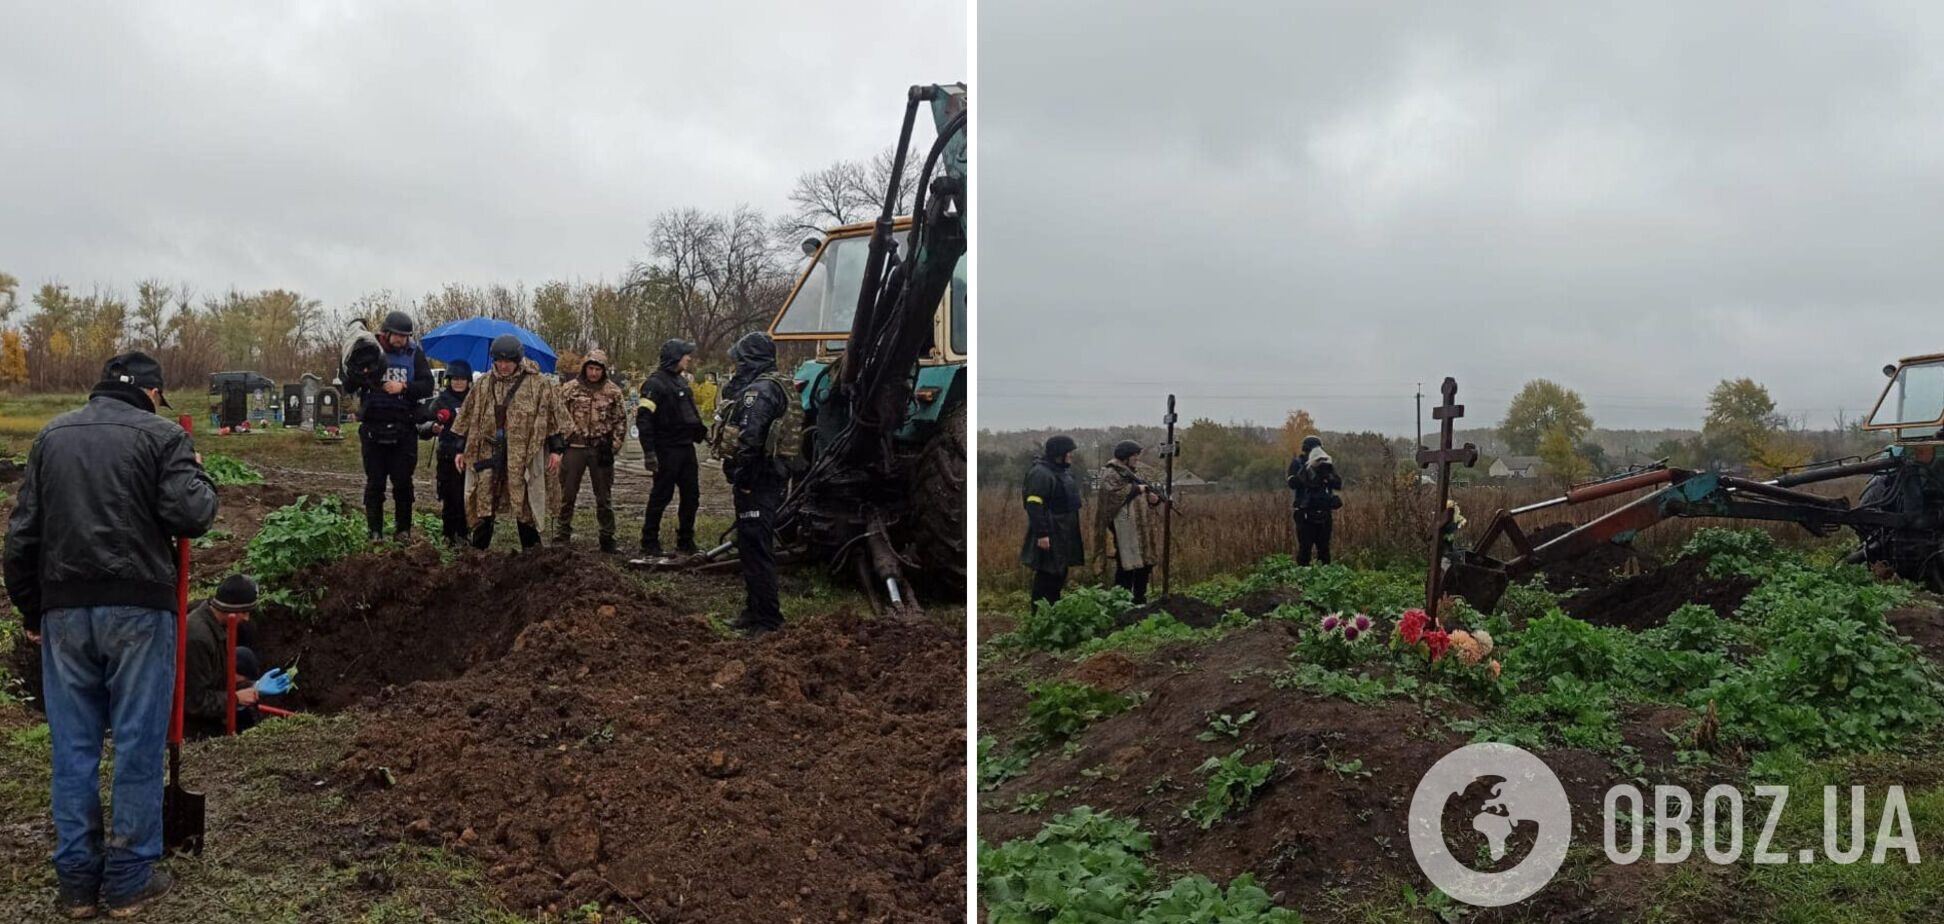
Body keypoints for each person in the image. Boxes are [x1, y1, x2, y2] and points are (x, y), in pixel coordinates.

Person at [3, 351, 218, 919]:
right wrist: (196, 469)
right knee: (136, 742)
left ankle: (76, 883)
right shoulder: (163, 437)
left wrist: (32, 611)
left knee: (72, 747)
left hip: (64, 612)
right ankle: (127, 877)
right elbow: (191, 514)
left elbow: (22, 537)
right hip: (139, 611)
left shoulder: (50, 437)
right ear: (151, 393)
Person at [452, 335, 568, 550]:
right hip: (487, 453)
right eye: (499, 361)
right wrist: (460, 448)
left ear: (518, 360)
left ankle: (532, 553)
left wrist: (556, 449)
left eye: (508, 361)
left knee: (524, 501)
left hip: (522, 454)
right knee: (484, 500)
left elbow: (552, 418)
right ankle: (478, 554)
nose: (503, 366)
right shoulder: (484, 384)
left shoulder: (538, 384)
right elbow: (466, 416)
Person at [719, 332, 794, 635]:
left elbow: (751, 438)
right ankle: (753, 611)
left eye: (739, 360)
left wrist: (743, 478)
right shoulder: (777, 383)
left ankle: (768, 620)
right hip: (769, 476)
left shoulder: (760, 391)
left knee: (757, 548)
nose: (736, 365)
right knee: (749, 547)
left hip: (758, 480)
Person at [349, 311, 434, 542]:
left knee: (403, 483)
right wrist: (364, 375)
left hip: (403, 427)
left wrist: (404, 387)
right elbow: (349, 383)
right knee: (375, 483)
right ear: (386, 333)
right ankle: (374, 530)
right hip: (373, 427)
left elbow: (428, 385)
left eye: (405, 336)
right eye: (397, 336)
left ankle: (403, 530)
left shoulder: (414, 353)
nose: (401, 340)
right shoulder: (369, 349)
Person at [183, 575, 292, 738]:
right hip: (193, 733)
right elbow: (194, 702)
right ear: (232, 608)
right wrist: (235, 698)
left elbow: (216, 681)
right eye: (245, 612)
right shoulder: (197, 639)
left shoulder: (217, 625)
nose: (247, 618)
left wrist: (254, 687)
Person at [638, 339, 708, 555]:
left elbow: (689, 413)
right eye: (685, 355)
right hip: (666, 449)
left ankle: (685, 540)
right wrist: (649, 452)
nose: (689, 358)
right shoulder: (654, 384)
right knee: (661, 495)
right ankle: (649, 541)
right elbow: (644, 420)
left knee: (691, 496)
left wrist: (702, 432)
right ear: (675, 357)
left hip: (686, 449)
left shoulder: (681, 382)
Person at [555, 350, 628, 552]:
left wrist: (614, 446)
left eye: (597, 369)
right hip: (575, 448)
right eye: (590, 368)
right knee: (567, 493)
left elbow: (620, 420)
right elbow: (559, 414)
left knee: (603, 496)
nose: (594, 373)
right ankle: (562, 534)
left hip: (600, 449)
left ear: (603, 371)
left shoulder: (613, 392)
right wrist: (563, 440)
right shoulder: (569, 389)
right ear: (585, 368)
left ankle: (607, 537)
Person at [1094, 440, 1164, 605]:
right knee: (1126, 565)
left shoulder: (1135, 472)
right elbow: (1111, 496)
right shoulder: (1111, 473)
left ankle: (1140, 598)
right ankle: (1122, 600)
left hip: (1142, 526)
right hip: (1123, 525)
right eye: (1134, 455)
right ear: (1125, 456)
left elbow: (1146, 493)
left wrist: (1153, 499)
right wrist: (1136, 489)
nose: (1136, 459)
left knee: (1144, 565)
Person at [1020, 435, 1085, 607]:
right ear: (1059, 453)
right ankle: (1039, 615)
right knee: (1047, 575)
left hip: (1064, 532)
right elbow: (1034, 505)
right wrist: (1042, 534)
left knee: (1059, 573)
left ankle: (1053, 610)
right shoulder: (1040, 473)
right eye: (1069, 453)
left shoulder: (1061, 471)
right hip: (1050, 531)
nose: (1071, 456)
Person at [427, 360, 472, 547]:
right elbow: (425, 422)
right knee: (449, 496)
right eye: (455, 379)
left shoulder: (474, 399)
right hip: (447, 455)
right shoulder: (441, 400)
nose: (458, 383)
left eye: (462, 379)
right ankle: (448, 533)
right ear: (448, 380)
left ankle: (463, 533)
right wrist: (433, 427)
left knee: (466, 497)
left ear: (469, 381)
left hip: (469, 455)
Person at [1287, 435, 1344, 565]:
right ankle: (1303, 578)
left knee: (1324, 549)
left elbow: (1338, 483)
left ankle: (1324, 580)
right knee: (1305, 550)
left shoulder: (1325, 465)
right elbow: (1292, 483)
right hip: (1305, 513)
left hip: (1324, 513)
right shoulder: (1298, 463)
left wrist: (1327, 475)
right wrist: (1307, 471)